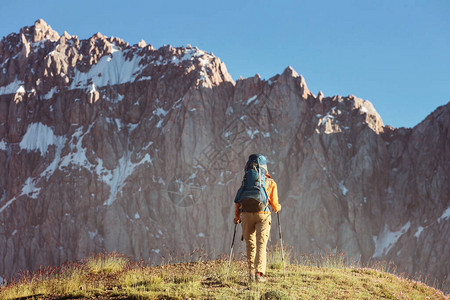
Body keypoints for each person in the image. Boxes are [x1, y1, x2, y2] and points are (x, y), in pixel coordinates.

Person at [234, 155, 281, 282]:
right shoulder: (270, 183)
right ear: (265, 169)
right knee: (261, 244)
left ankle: (250, 273)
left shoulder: (245, 183)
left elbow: (238, 202)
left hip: (246, 215)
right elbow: (275, 206)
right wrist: (278, 207)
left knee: (250, 244)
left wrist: (237, 217)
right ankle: (258, 274)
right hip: (263, 215)